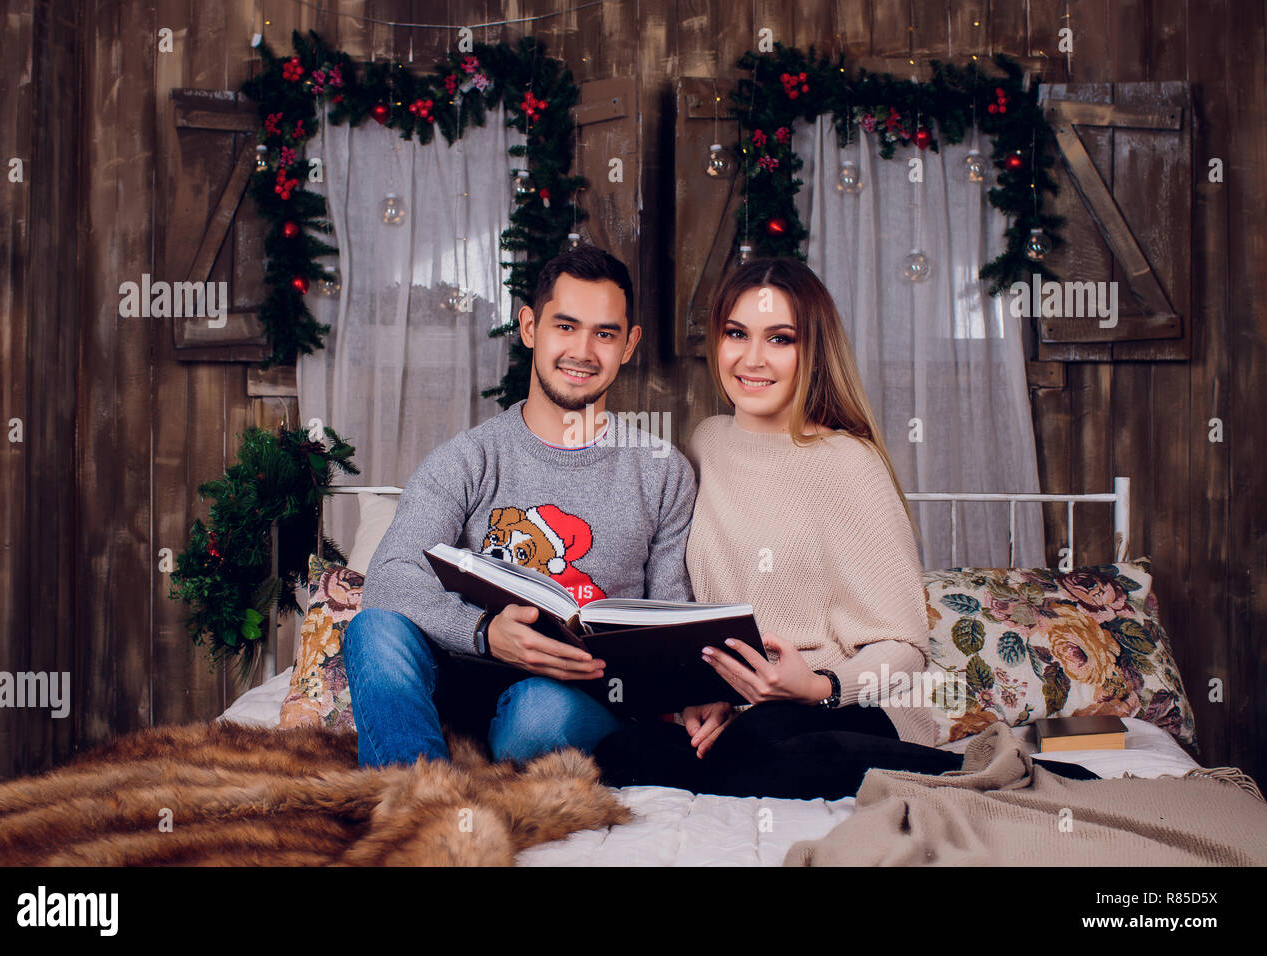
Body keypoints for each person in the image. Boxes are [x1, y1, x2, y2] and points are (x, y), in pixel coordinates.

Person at [593, 257, 1098, 798]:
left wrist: (817, 686)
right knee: (618, 753)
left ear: (812, 350)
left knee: (754, 746)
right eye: (737, 333)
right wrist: (718, 695)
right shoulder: (707, 442)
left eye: (780, 339)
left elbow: (905, 646)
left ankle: (955, 773)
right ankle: (733, 759)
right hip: (755, 712)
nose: (752, 358)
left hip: (854, 705)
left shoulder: (847, 464)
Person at [344, 246, 696, 767]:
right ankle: (422, 803)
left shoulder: (662, 470)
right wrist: (485, 635)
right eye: (565, 326)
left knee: (537, 716)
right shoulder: (467, 459)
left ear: (629, 345)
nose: (583, 351)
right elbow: (392, 578)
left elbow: (670, 621)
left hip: (573, 696)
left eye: (604, 333)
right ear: (530, 327)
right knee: (372, 629)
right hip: (465, 676)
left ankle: (462, 776)